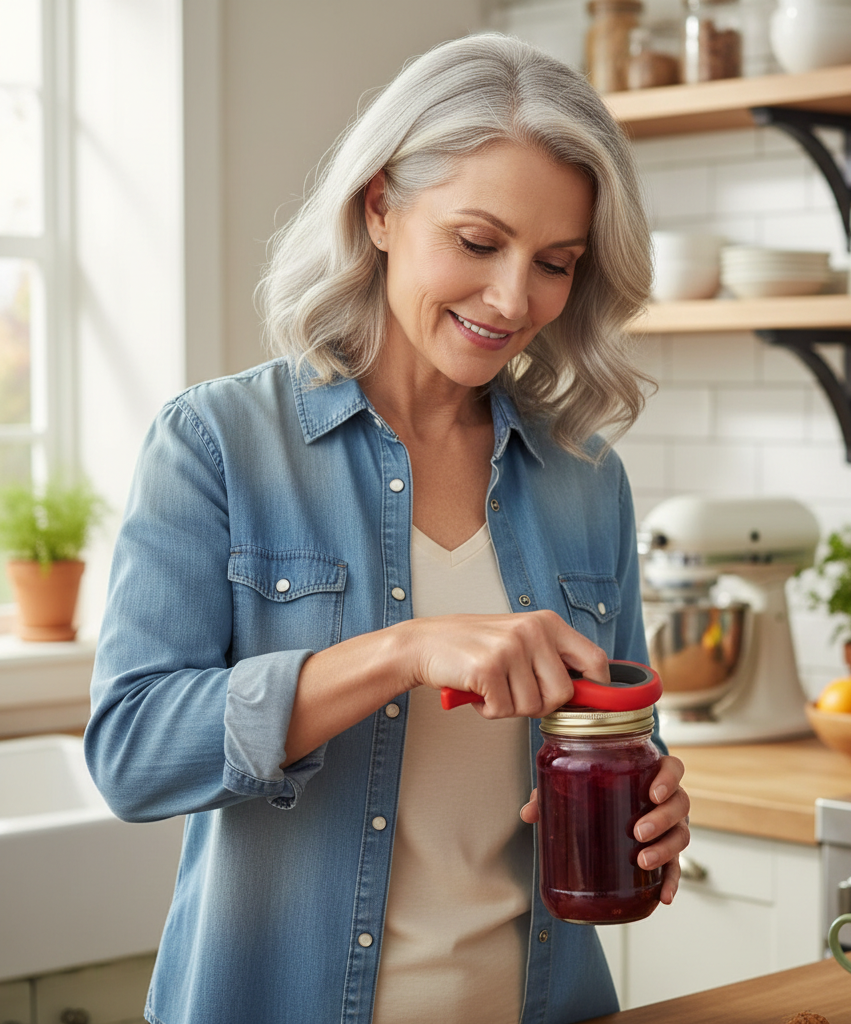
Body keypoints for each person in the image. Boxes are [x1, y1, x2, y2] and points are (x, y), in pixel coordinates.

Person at [85, 32, 690, 1024]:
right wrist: (403, 650)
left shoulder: (587, 478)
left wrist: (658, 805)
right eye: (478, 241)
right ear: (379, 207)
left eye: (554, 263)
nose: (511, 298)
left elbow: (622, 732)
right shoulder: (219, 442)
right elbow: (134, 752)